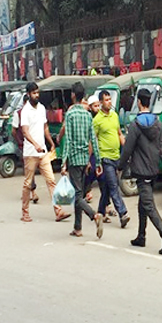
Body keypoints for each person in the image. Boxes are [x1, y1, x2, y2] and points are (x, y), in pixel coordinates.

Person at [119, 89, 162, 253]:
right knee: (142, 204)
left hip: (141, 172)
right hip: (153, 170)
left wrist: (120, 167)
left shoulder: (136, 125)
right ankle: (141, 237)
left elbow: (127, 149)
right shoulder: (157, 123)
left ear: (138, 102)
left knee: (149, 206)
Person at [20, 82, 70, 222]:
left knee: (51, 181)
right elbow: (25, 131)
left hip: (43, 152)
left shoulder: (42, 108)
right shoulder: (25, 111)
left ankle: (58, 211)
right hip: (30, 153)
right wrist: (35, 144)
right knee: (28, 183)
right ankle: (25, 212)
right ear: (28, 94)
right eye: (34, 93)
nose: (37, 95)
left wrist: (51, 143)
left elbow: (45, 127)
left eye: (37, 92)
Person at [60, 82, 104, 239]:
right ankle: (77, 227)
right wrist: (97, 161)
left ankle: (94, 216)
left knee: (77, 196)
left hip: (74, 159)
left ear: (73, 95)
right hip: (85, 159)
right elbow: (93, 139)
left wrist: (63, 161)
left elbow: (68, 140)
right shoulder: (87, 115)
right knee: (79, 192)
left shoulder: (70, 115)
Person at [93, 89, 130, 228]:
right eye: (106, 100)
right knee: (114, 186)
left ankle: (100, 213)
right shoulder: (97, 120)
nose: (109, 102)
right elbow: (93, 140)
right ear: (101, 102)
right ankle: (123, 213)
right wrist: (95, 161)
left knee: (108, 188)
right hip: (105, 158)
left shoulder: (114, 116)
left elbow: (119, 134)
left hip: (116, 156)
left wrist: (127, 148)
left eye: (110, 99)